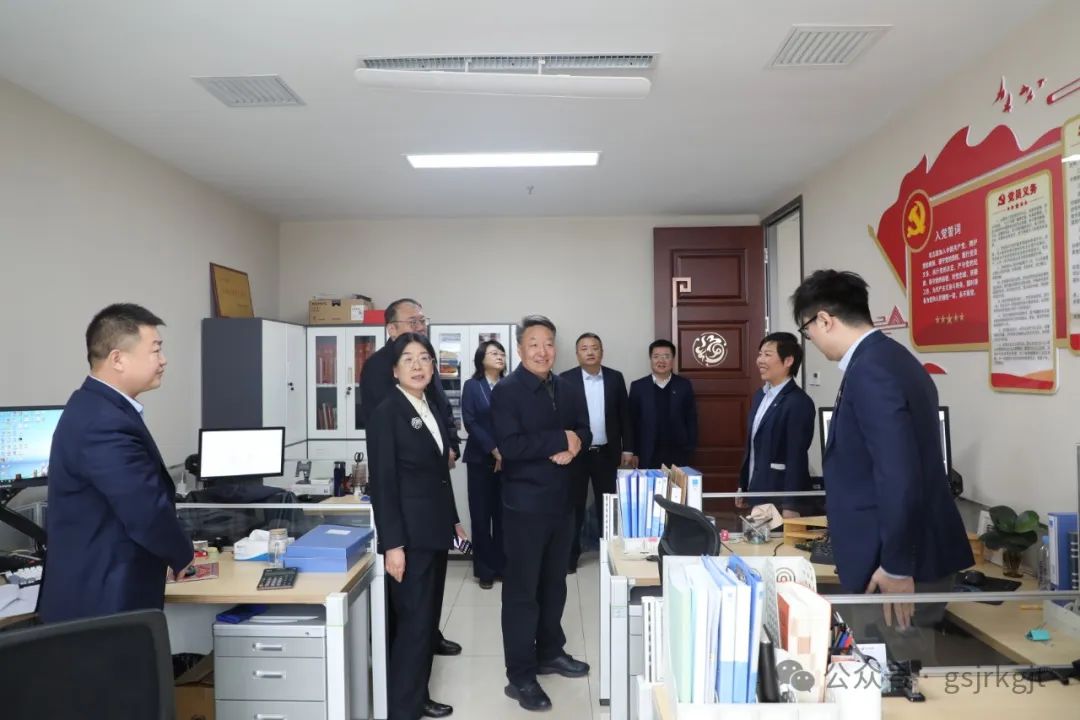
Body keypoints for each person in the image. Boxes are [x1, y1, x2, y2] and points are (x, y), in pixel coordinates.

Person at [792, 269, 973, 643]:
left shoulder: (871, 369)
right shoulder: (891, 358)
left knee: (893, 667)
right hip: (896, 552)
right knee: (892, 663)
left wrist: (896, 565)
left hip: (894, 562)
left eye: (807, 332)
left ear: (824, 320)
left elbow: (897, 473)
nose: (812, 342)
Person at [39, 303, 193, 623]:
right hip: (104, 600)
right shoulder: (103, 422)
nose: (163, 360)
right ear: (118, 359)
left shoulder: (98, 407)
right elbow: (145, 509)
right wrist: (182, 554)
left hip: (106, 589)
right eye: (155, 350)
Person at [492, 315, 592, 712]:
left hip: (562, 504)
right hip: (525, 508)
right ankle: (520, 675)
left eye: (548, 343)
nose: (542, 351)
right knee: (522, 592)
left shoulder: (567, 387)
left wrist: (575, 443)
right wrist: (559, 439)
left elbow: (584, 430)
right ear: (520, 349)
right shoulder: (507, 391)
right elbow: (510, 446)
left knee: (555, 584)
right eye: (533, 343)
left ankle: (550, 651)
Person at [368, 332, 467, 720]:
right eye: (408, 359)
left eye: (424, 358)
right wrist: (393, 545)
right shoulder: (387, 412)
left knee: (425, 622)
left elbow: (439, 475)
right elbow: (383, 483)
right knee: (412, 624)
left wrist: (454, 520)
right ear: (395, 370)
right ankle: (403, 709)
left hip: (434, 531)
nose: (418, 365)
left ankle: (417, 696)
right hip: (408, 539)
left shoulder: (429, 406)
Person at [359, 297, 463, 658]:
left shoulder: (424, 367)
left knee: (427, 597)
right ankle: (405, 662)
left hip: (433, 502)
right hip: (408, 508)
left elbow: (442, 408)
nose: (420, 326)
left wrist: (448, 446)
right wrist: (394, 543)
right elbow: (388, 453)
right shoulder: (380, 370)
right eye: (412, 321)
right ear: (391, 329)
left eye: (422, 320)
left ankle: (428, 639)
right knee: (409, 605)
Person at [559, 332, 633, 572]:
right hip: (576, 455)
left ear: (602, 351)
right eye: (584, 348)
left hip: (606, 453)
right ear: (577, 353)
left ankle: (610, 556)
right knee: (574, 507)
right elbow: (559, 419)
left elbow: (624, 416)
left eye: (594, 347)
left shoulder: (615, 378)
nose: (590, 352)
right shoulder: (564, 379)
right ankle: (569, 558)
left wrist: (628, 449)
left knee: (608, 506)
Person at [736, 332, 815, 518]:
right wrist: (743, 486)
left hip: (779, 498)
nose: (760, 360)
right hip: (757, 491)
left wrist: (791, 505)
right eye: (760, 354)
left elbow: (796, 457)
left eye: (767, 355)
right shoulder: (760, 396)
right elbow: (753, 447)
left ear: (788, 361)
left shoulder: (798, 402)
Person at [461, 339, 507, 589]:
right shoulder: (472, 386)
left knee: (503, 516)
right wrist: (494, 450)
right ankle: (485, 570)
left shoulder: (510, 386)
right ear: (481, 359)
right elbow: (470, 421)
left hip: (508, 461)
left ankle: (501, 566)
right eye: (493, 353)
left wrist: (505, 453)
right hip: (480, 459)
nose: (499, 356)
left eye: (502, 353)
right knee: (480, 516)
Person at [627, 340, 698, 469]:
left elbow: (691, 418)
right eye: (656, 356)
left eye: (666, 356)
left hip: (678, 452)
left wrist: (690, 447)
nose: (661, 361)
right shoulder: (638, 387)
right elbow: (632, 422)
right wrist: (633, 452)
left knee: (676, 482)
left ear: (673, 359)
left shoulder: (683, 385)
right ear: (650, 359)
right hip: (647, 452)